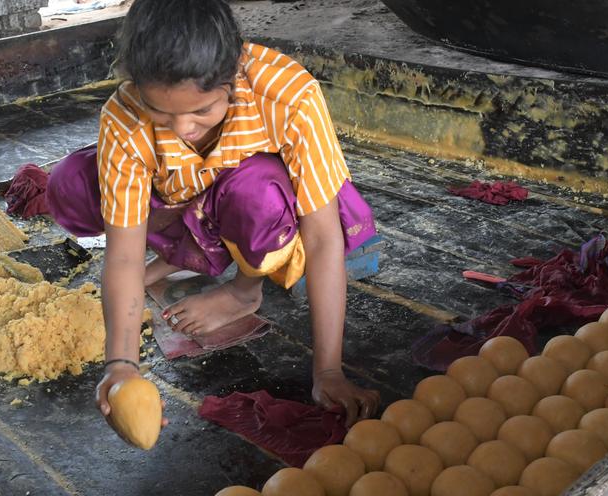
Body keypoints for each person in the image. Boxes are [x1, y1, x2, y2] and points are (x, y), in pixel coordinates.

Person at [44, 0, 381, 428]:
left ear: (234, 76)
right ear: (135, 86)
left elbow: (322, 236)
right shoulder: (124, 116)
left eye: (202, 110)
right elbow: (124, 255)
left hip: (259, 208)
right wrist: (121, 365)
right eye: (161, 112)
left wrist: (328, 371)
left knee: (256, 190)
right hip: (185, 197)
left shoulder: (287, 94)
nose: (182, 128)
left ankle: (244, 290)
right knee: (71, 182)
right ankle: (181, 252)